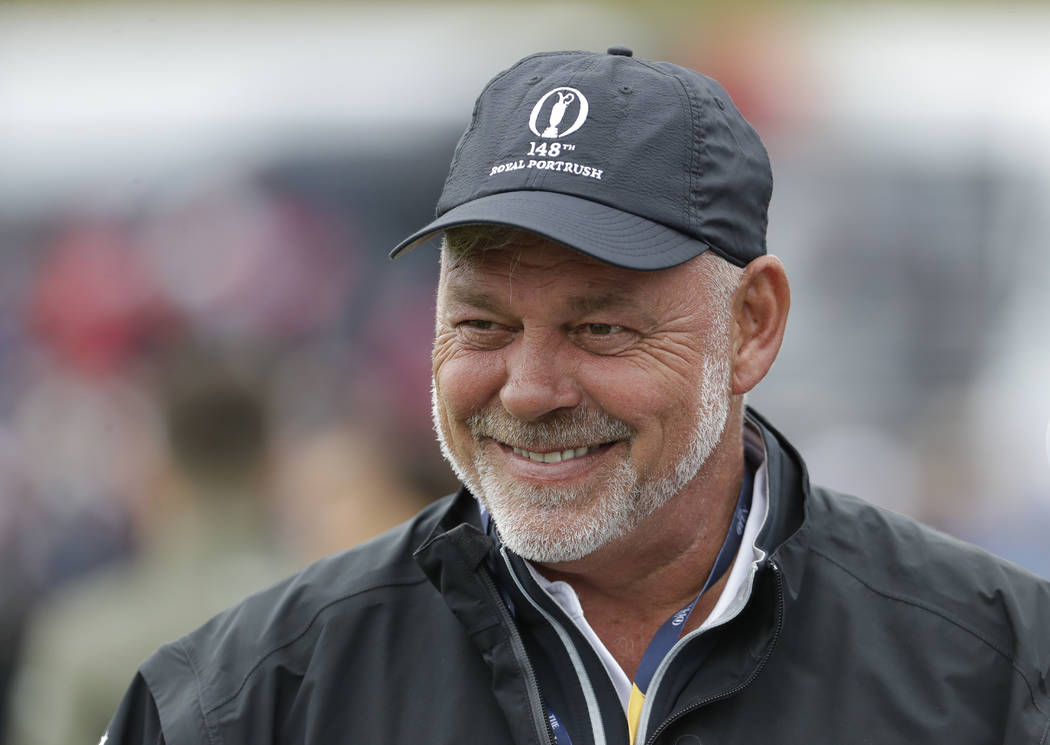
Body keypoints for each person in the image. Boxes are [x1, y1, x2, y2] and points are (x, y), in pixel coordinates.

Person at [105, 47, 1050, 745]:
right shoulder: (244, 699)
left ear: (753, 324)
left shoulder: (996, 666)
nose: (529, 388)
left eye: (601, 328)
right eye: (482, 326)